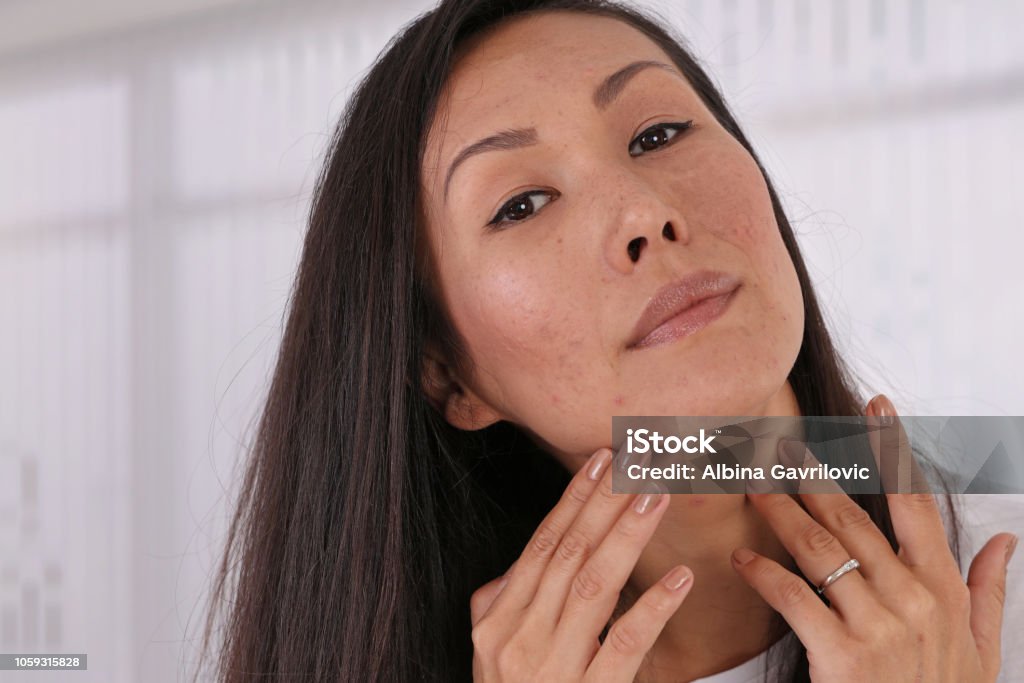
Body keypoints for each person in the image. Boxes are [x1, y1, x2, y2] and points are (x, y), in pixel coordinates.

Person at [195, 0, 1021, 681]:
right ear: (449, 375)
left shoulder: (1002, 534)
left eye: (658, 133)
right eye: (521, 204)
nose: (642, 213)